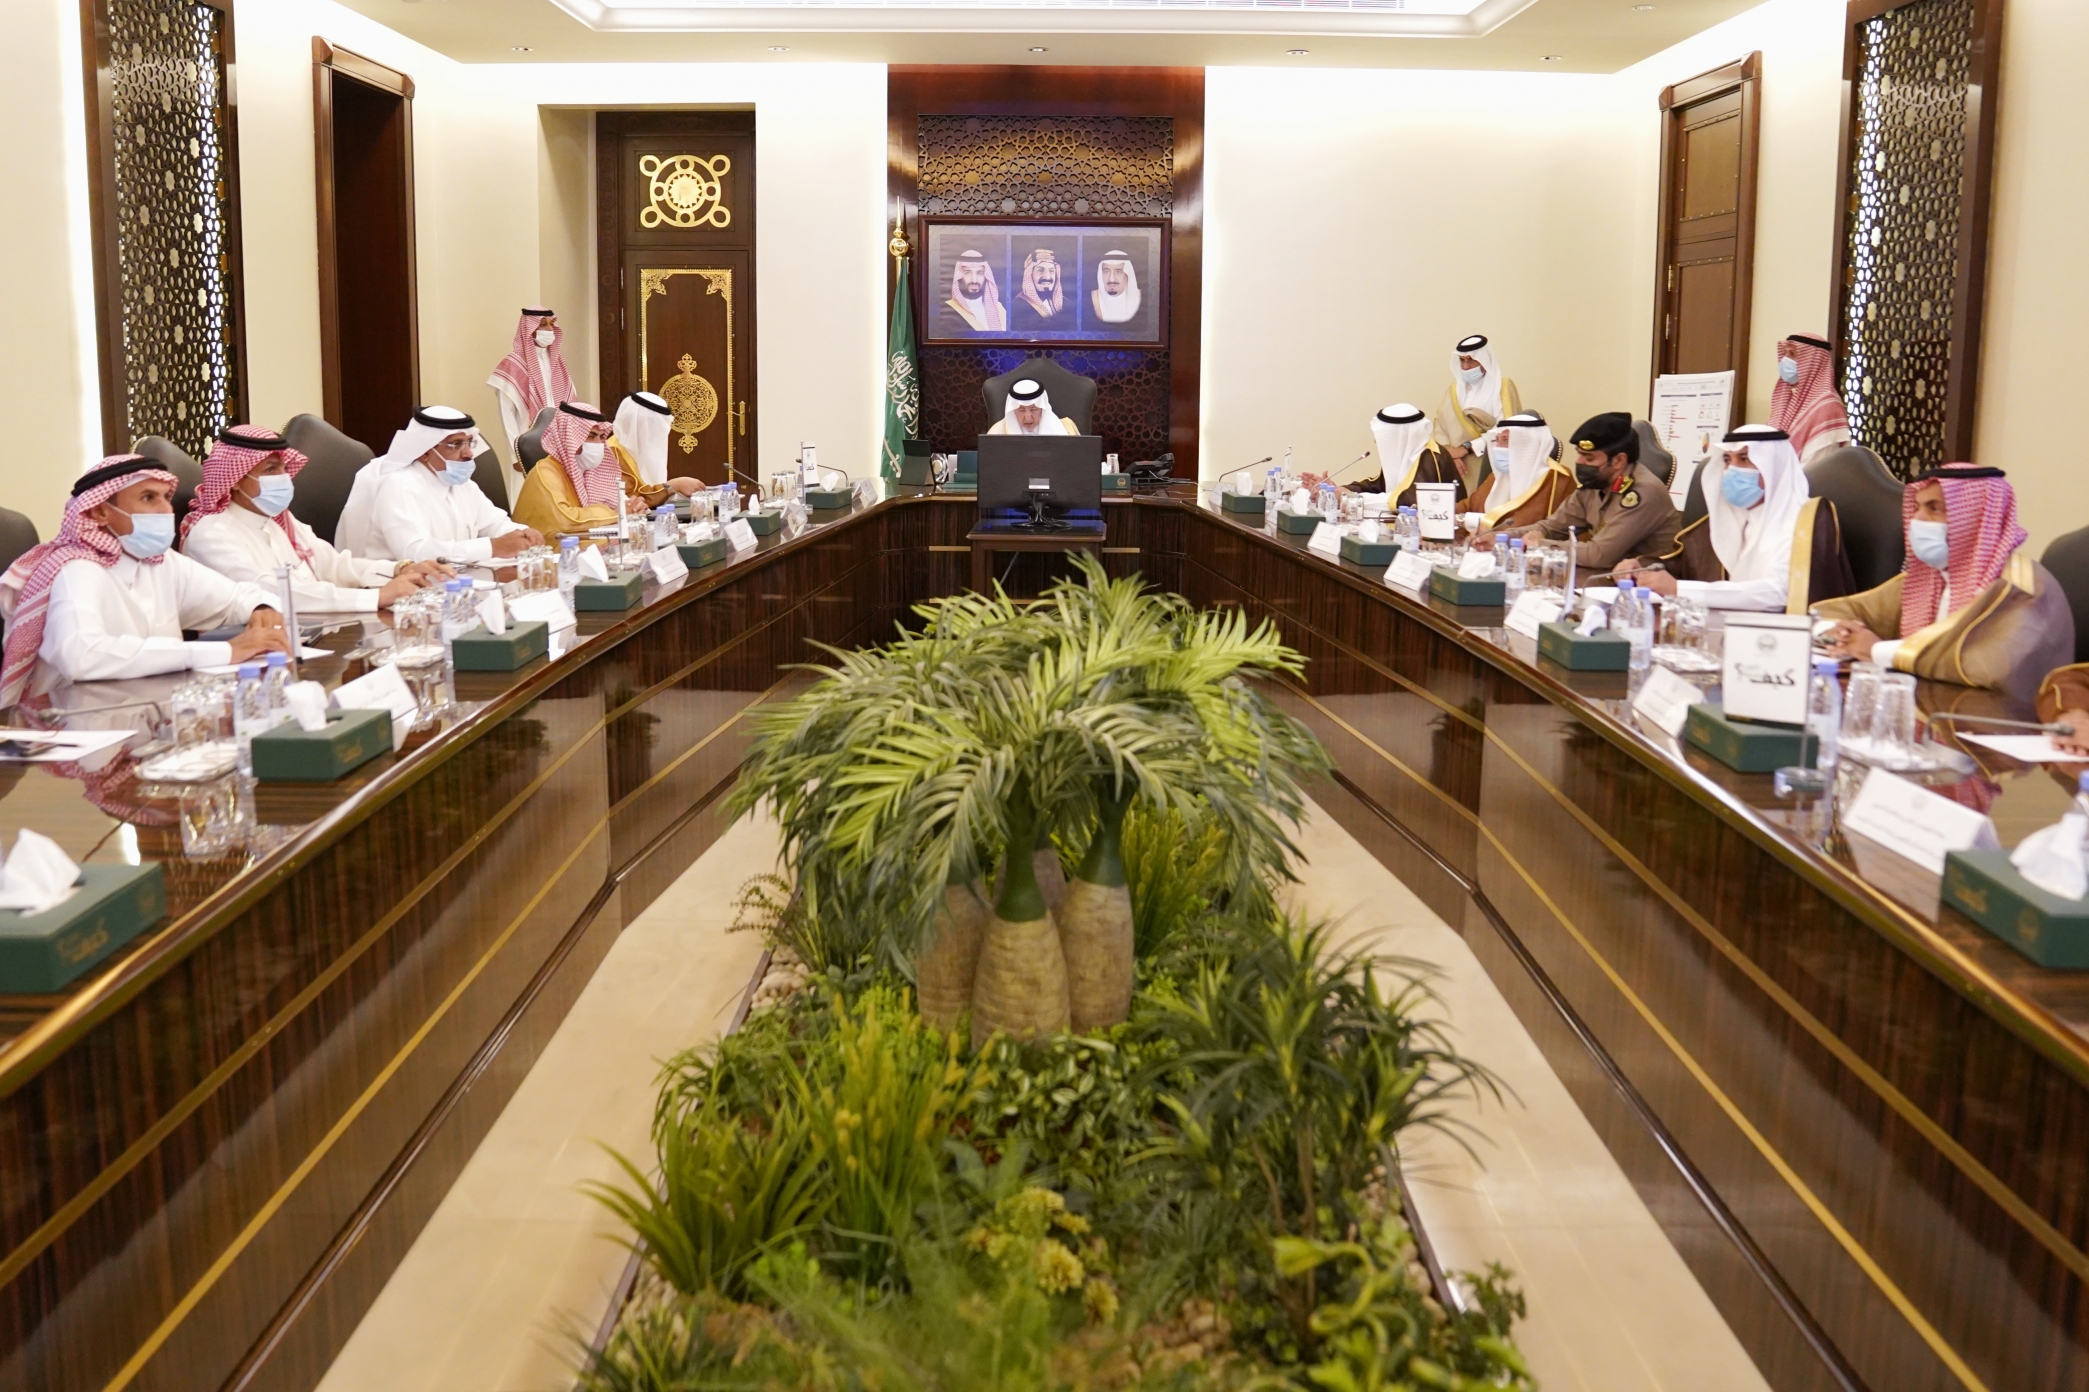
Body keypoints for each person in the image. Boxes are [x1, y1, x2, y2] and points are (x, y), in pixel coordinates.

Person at [0, 456, 288, 705]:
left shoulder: (161, 561)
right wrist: (226, 650)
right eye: (149, 498)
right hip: (78, 721)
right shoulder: (77, 569)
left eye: (165, 497)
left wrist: (261, 608)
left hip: (151, 709)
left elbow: (237, 596)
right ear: (100, 512)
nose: (165, 510)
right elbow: (82, 655)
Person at [1818, 466, 2073, 702]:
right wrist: (1841, 634)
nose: (1918, 519)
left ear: (1975, 517)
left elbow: (1989, 666)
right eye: (1917, 507)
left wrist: (1878, 650)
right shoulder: (1930, 577)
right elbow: (1836, 611)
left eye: (1934, 509)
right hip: (1930, 709)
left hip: (2001, 722)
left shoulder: (2021, 588)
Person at [180, 425, 449, 613]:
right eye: (271, 470)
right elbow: (272, 593)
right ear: (237, 480)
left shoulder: (278, 521)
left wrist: (399, 570)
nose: (284, 478)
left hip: (314, 632)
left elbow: (333, 565)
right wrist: (377, 596)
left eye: (284, 468)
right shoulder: (211, 534)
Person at [1618, 425, 1854, 612]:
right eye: (1727, 460)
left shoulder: (1807, 521)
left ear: (1774, 467)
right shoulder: (1726, 518)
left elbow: (1782, 593)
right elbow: (1684, 565)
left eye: (1744, 459)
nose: (1732, 470)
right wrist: (1641, 568)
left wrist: (1681, 590)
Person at [337, 407, 542, 564]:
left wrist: (522, 533)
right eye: (456, 444)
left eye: (469, 442)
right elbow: (414, 552)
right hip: (396, 590)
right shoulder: (400, 485)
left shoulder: (462, 484)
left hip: (453, 581)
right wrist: (493, 547)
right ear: (425, 451)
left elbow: (493, 523)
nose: (468, 453)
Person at [1489, 411, 1678, 573]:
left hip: (1646, 585)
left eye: (1588, 458)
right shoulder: (1595, 484)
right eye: (1579, 454)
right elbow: (1551, 527)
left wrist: (1541, 545)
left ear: (1619, 461)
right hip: (1605, 577)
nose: (1579, 462)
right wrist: (1501, 538)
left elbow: (1598, 555)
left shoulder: (1643, 493)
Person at [515, 401, 666, 537]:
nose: (599, 444)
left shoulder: (591, 470)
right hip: (550, 547)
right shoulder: (545, 472)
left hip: (583, 539)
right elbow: (566, 520)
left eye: (601, 437)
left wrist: (634, 507)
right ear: (569, 438)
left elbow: (619, 504)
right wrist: (617, 513)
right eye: (591, 436)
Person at [488, 308, 577, 467]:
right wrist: (517, 455)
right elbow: (506, 414)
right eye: (543, 324)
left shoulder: (558, 362)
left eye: (551, 324)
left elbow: (571, 405)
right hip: (526, 445)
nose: (549, 329)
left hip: (559, 445)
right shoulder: (513, 364)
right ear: (529, 328)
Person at [1431, 334, 1523, 475]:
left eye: (1471, 360)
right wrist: (1451, 455)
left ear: (1484, 360)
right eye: (1462, 360)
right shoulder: (1453, 391)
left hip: (1490, 462)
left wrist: (1467, 448)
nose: (1466, 366)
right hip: (1458, 466)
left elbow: (1506, 429)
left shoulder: (1503, 387)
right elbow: (1440, 428)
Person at [1465, 412, 1572, 529]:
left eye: (1506, 440)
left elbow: (1525, 524)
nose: (1498, 447)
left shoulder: (1556, 478)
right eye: (1497, 440)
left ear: (1527, 444)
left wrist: (1472, 523)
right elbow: (1466, 506)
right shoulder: (1498, 476)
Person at [1767, 333, 1851, 465]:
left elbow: (1816, 468)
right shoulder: (1789, 398)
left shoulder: (1827, 406)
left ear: (1812, 362)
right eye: (1785, 353)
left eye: (1792, 354)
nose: (1785, 359)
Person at [1353, 404, 1461, 506]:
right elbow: (1378, 485)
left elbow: (1410, 500)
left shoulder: (1431, 457)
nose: (1376, 441)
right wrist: (1349, 490)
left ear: (1399, 436)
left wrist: (1357, 499)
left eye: (1383, 437)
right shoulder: (1404, 455)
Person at [610, 391, 704, 506]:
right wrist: (673, 486)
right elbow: (630, 501)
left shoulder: (642, 450)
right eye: (653, 425)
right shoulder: (611, 453)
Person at [986, 379, 1081, 436]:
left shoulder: (1068, 430)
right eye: (1021, 410)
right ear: (1013, 410)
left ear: (1042, 408)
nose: (1028, 417)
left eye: (1034, 409)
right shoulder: (997, 433)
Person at [946, 251, 1006, 332]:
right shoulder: (949, 310)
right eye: (967, 273)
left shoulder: (999, 308)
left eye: (980, 273)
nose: (974, 280)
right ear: (959, 276)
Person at [1011, 248, 1067, 333]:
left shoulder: (1065, 302)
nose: (1047, 277)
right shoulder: (1019, 307)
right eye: (1040, 270)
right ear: (1029, 275)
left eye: (1051, 271)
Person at [1090, 252, 1141, 326]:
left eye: (1118, 272)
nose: (1111, 279)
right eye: (1106, 271)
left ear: (1127, 275)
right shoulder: (1092, 298)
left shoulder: (1138, 297)